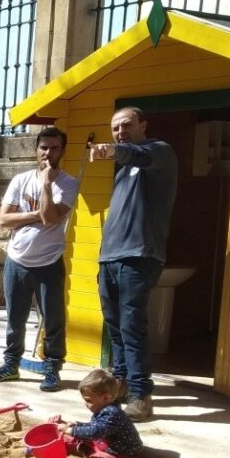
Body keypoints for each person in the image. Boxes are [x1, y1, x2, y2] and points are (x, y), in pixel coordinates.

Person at [88, 107, 178, 421]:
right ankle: (122, 382)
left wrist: (113, 149)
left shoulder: (159, 152)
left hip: (140, 254)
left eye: (126, 125)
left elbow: (133, 154)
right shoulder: (123, 169)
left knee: (132, 326)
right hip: (110, 256)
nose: (120, 131)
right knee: (115, 328)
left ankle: (141, 393)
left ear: (143, 123)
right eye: (115, 128)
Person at [0, 127, 79, 392]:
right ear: (36, 149)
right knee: (15, 317)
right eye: (43, 147)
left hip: (49, 262)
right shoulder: (20, 180)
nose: (48, 153)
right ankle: (11, 364)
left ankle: (52, 368)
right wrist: (39, 213)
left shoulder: (68, 183)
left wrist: (47, 185)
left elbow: (52, 219)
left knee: (53, 318)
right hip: (17, 260)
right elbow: (4, 220)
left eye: (54, 148)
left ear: (63, 151)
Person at [53, 369, 142, 458]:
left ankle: (87, 451)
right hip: (104, 444)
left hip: (121, 455)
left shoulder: (112, 413)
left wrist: (69, 430)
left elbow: (95, 432)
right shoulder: (104, 409)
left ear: (105, 397)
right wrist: (75, 424)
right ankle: (83, 448)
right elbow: (95, 426)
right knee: (70, 437)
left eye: (88, 400)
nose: (85, 404)